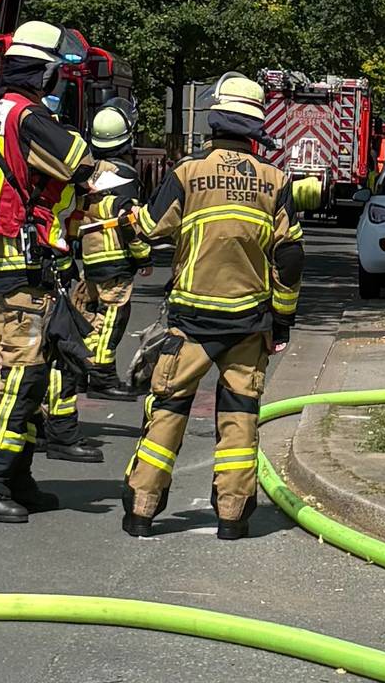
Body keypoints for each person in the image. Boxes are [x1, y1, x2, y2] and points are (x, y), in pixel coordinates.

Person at [121, 73, 310, 540]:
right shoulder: (274, 179)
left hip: (190, 320)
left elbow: (148, 228)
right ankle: (232, 518)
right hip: (249, 322)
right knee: (240, 417)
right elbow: (290, 254)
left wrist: (124, 218)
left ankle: (141, 513)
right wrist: (282, 317)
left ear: (214, 122)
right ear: (254, 129)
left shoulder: (187, 173)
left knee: (167, 409)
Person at [0, 20, 101, 525]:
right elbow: (79, 163)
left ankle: (16, 476)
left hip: (18, 262)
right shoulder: (29, 116)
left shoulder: (3, 112)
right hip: (20, 265)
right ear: (43, 73)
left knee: (34, 375)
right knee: (20, 377)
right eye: (57, 74)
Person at [69, 103, 147, 399]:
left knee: (88, 314)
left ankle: (78, 370)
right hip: (116, 258)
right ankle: (102, 375)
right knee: (113, 315)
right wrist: (143, 256)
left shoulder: (90, 171)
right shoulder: (125, 175)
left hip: (91, 257)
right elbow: (129, 222)